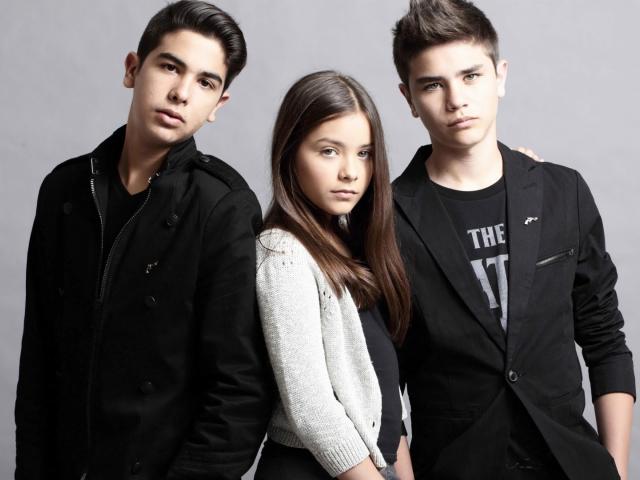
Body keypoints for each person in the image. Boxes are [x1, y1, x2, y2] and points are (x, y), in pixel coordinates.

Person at [15, 2, 273, 479]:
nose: (180, 93)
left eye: (205, 83)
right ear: (133, 69)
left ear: (218, 105)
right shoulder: (64, 190)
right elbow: (39, 364)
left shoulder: (223, 208)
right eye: (170, 67)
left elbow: (239, 393)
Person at [390, 1, 635, 479]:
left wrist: (618, 472)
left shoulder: (562, 192)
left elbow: (605, 338)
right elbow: (382, 381)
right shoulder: (387, 220)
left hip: (570, 464)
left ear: (500, 76)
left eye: (471, 76)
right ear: (409, 97)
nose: (456, 100)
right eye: (433, 85)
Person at [254, 71, 415, 480]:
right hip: (316, 470)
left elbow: (383, 394)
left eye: (364, 153)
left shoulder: (350, 243)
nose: (350, 172)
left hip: (372, 467)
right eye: (329, 151)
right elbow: (311, 409)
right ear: (290, 152)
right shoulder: (283, 252)